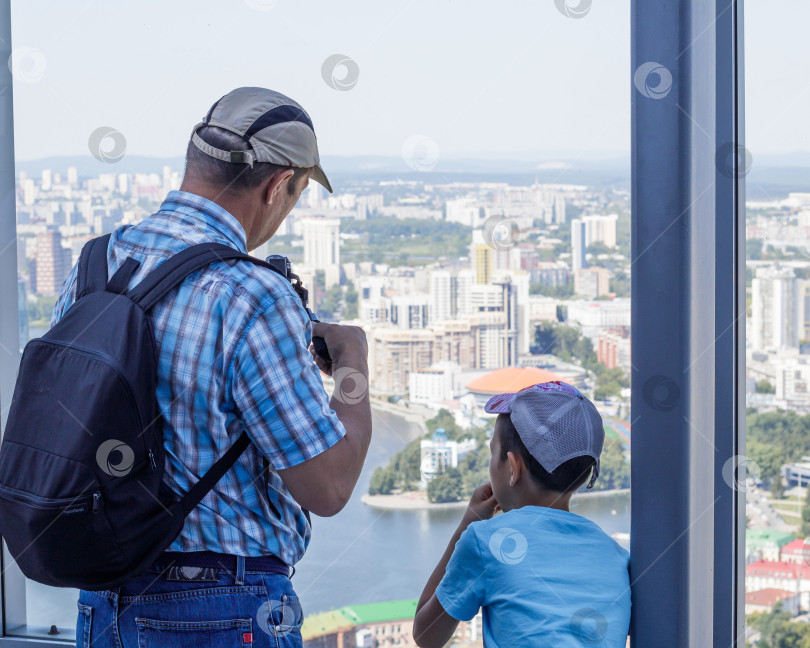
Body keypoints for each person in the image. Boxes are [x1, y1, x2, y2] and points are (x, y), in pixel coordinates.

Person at [56, 87, 372, 647]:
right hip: (221, 608)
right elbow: (329, 488)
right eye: (296, 195)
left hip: (102, 601)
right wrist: (352, 359)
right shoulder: (253, 296)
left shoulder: (94, 264)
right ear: (278, 186)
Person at [413, 381, 631, 647]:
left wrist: (469, 524)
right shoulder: (617, 557)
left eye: (493, 452)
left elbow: (425, 635)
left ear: (513, 468)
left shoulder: (486, 542)